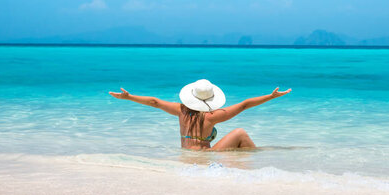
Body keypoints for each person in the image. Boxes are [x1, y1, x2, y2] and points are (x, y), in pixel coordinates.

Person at [109, 79, 291, 151]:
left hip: (186, 156)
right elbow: (244, 105)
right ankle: (254, 163)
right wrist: (271, 96)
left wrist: (129, 97)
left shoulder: (181, 111)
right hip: (206, 157)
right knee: (240, 134)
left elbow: (154, 102)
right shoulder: (212, 116)